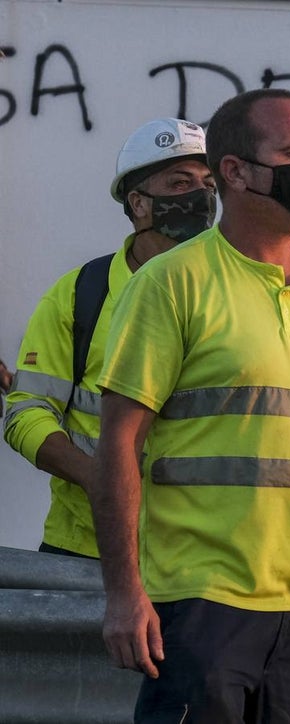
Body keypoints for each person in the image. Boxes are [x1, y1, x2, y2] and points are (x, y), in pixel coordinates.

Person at [90, 89, 290, 722]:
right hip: (200, 607)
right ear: (233, 172)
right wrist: (125, 594)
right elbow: (118, 443)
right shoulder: (173, 282)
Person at [4, 118, 215, 559]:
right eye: (180, 182)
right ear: (138, 203)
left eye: (208, 183)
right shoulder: (80, 294)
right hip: (87, 548)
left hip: (204, 556)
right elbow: (26, 413)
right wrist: (97, 478)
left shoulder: (236, 291)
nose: (201, 196)